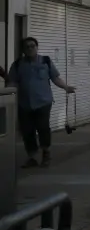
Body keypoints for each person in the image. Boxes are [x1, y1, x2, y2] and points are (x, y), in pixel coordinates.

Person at [3, 37, 76, 168]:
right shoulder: (18, 64)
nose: (30, 48)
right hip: (24, 103)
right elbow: (12, 82)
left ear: (37, 47)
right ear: (23, 50)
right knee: (27, 130)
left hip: (43, 102)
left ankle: (46, 153)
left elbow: (55, 78)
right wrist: (7, 94)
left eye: (32, 46)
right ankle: (32, 157)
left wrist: (66, 87)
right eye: (27, 47)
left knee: (43, 128)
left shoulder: (45, 61)